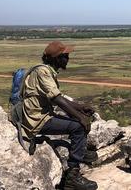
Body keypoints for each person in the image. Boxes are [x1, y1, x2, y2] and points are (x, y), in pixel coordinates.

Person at [20, 41, 98, 190]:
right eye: (65, 56)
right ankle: (72, 177)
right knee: (78, 126)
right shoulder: (42, 72)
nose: (67, 59)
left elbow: (57, 97)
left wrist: (81, 108)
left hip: (42, 115)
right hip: (37, 120)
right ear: (56, 58)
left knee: (79, 116)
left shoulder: (47, 71)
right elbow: (57, 99)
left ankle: (80, 151)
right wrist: (80, 117)